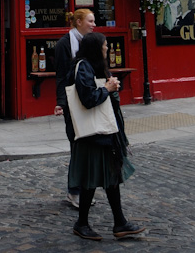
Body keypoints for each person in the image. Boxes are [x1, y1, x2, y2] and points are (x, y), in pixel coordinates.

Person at [68, 32, 144, 241]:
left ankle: (119, 222)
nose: (107, 49)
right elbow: (87, 98)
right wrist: (107, 89)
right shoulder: (83, 66)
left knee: (111, 176)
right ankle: (82, 223)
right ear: (95, 48)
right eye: (105, 45)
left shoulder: (94, 65)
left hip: (105, 132)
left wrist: (110, 87)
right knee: (91, 179)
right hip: (93, 134)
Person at [53, 8, 96, 208]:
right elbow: (61, 75)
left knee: (88, 147)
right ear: (78, 22)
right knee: (77, 146)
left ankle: (84, 190)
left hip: (89, 99)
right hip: (72, 102)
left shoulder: (92, 42)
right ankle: (74, 191)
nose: (93, 24)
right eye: (90, 21)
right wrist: (60, 102)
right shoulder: (64, 44)